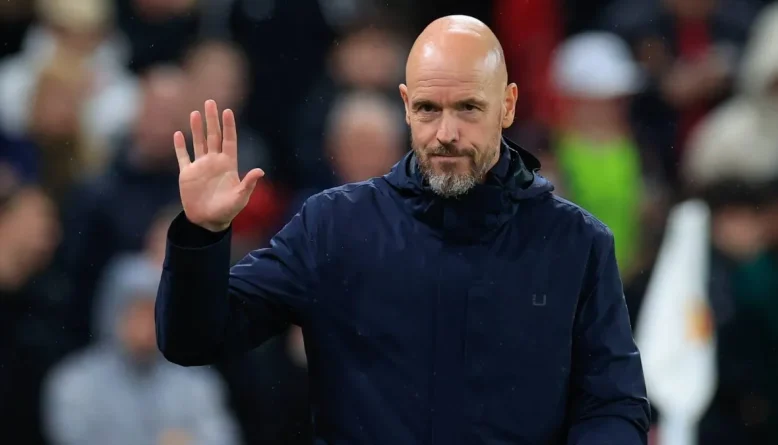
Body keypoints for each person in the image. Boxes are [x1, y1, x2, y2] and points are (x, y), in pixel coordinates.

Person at [156, 15, 650, 444]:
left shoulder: (578, 244)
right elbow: (193, 340)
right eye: (429, 109)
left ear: (508, 105)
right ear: (406, 105)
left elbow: (613, 406)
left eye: (468, 108)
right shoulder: (333, 228)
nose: (447, 133)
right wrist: (202, 234)